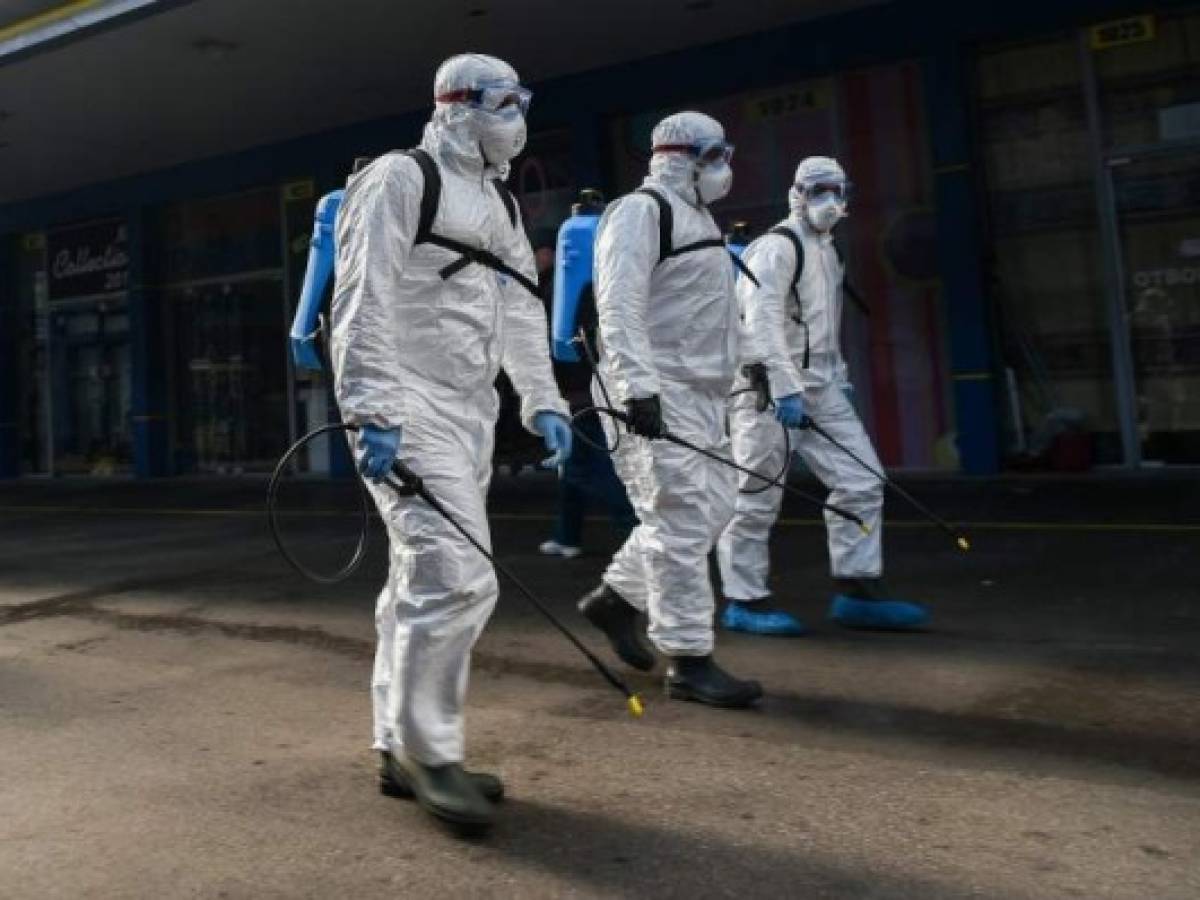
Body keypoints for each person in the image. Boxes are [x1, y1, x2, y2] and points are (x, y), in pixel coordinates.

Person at [329, 53, 572, 833]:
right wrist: (373, 409)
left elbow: (519, 305)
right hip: (408, 405)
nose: (516, 115)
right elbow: (360, 297)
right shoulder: (401, 178)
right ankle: (432, 756)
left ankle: (398, 745)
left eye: (521, 100)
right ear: (458, 106)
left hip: (468, 412)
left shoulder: (497, 202)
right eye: (504, 101)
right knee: (457, 575)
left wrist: (541, 397)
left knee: (421, 579)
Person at [576, 111, 763, 709]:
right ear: (681, 157)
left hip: (704, 393)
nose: (724, 168)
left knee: (716, 506)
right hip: (655, 390)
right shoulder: (639, 213)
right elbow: (618, 305)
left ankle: (613, 600)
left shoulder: (698, 221)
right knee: (680, 521)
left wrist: (750, 361)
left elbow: (719, 309)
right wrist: (638, 390)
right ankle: (688, 658)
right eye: (715, 156)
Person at [716, 156, 929, 635]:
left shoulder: (827, 251)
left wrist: (839, 380)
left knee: (862, 480)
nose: (830, 201)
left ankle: (858, 590)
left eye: (837, 190)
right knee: (755, 495)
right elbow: (760, 321)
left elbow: (822, 328)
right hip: (769, 390)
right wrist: (785, 386)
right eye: (818, 191)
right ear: (797, 193)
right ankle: (744, 599)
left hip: (822, 388)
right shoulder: (775, 247)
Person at [536, 226, 638, 560]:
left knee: (594, 467)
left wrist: (569, 392)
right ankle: (567, 535)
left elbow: (563, 350)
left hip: (582, 395)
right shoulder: (592, 284)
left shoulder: (559, 291)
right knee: (576, 467)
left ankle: (634, 533)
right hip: (589, 392)